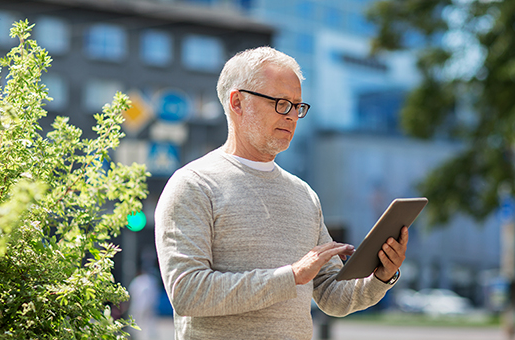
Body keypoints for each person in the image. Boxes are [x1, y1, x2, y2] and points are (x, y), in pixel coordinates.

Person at [154, 46, 408, 340]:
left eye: (297, 106)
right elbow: (188, 293)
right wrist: (291, 276)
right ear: (238, 102)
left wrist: (381, 276)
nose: (292, 117)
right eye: (280, 103)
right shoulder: (193, 184)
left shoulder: (304, 195)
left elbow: (331, 296)